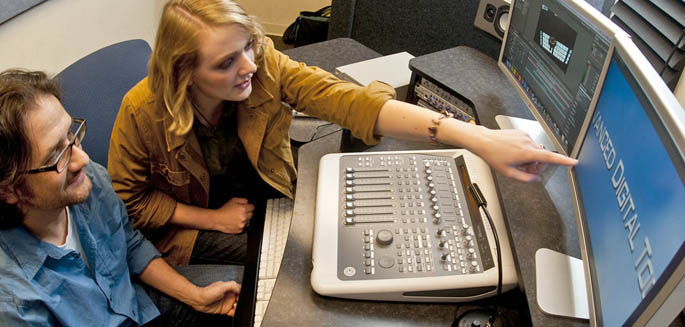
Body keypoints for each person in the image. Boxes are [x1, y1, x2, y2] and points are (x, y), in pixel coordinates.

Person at [107, 0, 577, 267]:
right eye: (226, 62)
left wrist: (474, 137)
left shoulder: (261, 65)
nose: (250, 65)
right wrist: (212, 220)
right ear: (183, 72)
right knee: (295, 261)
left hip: (257, 188)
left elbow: (341, 100)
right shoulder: (141, 112)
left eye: (248, 47)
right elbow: (130, 204)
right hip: (195, 222)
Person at [0, 69, 242, 326]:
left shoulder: (86, 180)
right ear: (8, 190)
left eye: (71, 136)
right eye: (56, 157)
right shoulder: (14, 302)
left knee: (251, 297)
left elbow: (130, 246)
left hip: (137, 306)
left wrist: (196, 297)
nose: (82, 159)